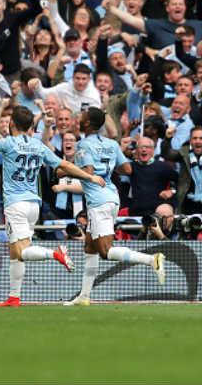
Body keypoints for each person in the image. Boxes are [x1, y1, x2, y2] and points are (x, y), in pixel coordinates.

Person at [0, 107, 106, 307]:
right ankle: (14, 296)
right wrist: (89, 176)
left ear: (12, 125)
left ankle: (55, 253)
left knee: (23, 251)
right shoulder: (39, 145)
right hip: (33, 205)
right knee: (14, 251)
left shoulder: (9, 143)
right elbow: (64, 165)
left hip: (15, 204)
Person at [64, 108, 166, 306]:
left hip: (98, 199)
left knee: (105, 251)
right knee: (90, 247)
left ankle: (152, 259)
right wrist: (108, 166)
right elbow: (127, 168)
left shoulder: (83, 144)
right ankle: (84, 296)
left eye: (81, 117)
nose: (78, 119)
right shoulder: (111, 143)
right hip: (112, 196)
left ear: (87, 124)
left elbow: (89, 172)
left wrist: (66, 172)